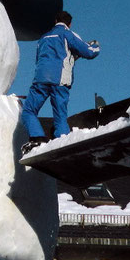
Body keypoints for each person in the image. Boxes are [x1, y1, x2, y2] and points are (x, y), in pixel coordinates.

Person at [21, 11, 100, 154]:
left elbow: (40, 59)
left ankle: (37, 137)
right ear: (69, 23)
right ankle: (61, 141)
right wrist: (96, 46)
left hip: (41, 79)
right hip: (60, 79)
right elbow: (88, 52)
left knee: (29, 111)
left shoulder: (43, 38)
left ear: (55, 20)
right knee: (60, 114)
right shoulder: (67, 34)